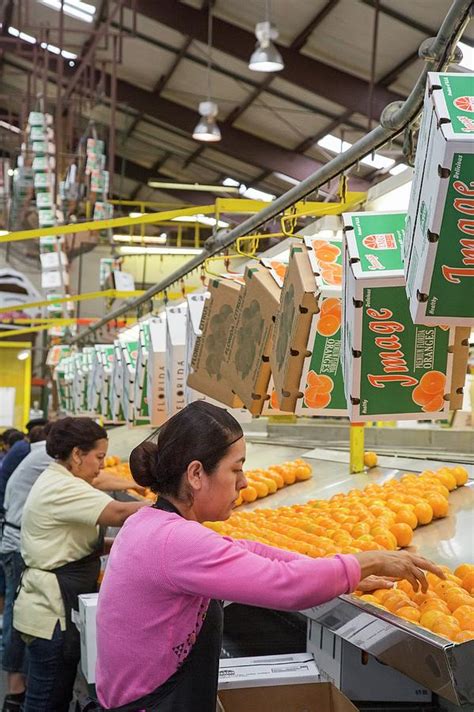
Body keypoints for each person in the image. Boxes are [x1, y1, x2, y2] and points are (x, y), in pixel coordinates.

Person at [96, 402, 445, 712]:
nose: (244, 482)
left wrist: (338, 571)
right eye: (236, 470)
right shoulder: (175, 540)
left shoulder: (151, 521)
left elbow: (248, 550)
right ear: (197, 474)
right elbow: (287, 588)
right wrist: (366, 562)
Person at [0, 423, 146, 712]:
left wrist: (116, 547)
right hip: (50, 612)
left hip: (50, 607)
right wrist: (178, 505)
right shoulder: (62, 487)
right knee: (46, 701)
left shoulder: (60, 477)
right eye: (99, 457)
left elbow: (72, 544)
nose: (102, 465)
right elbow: (118, 512)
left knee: (52, 694)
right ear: (78, 454)